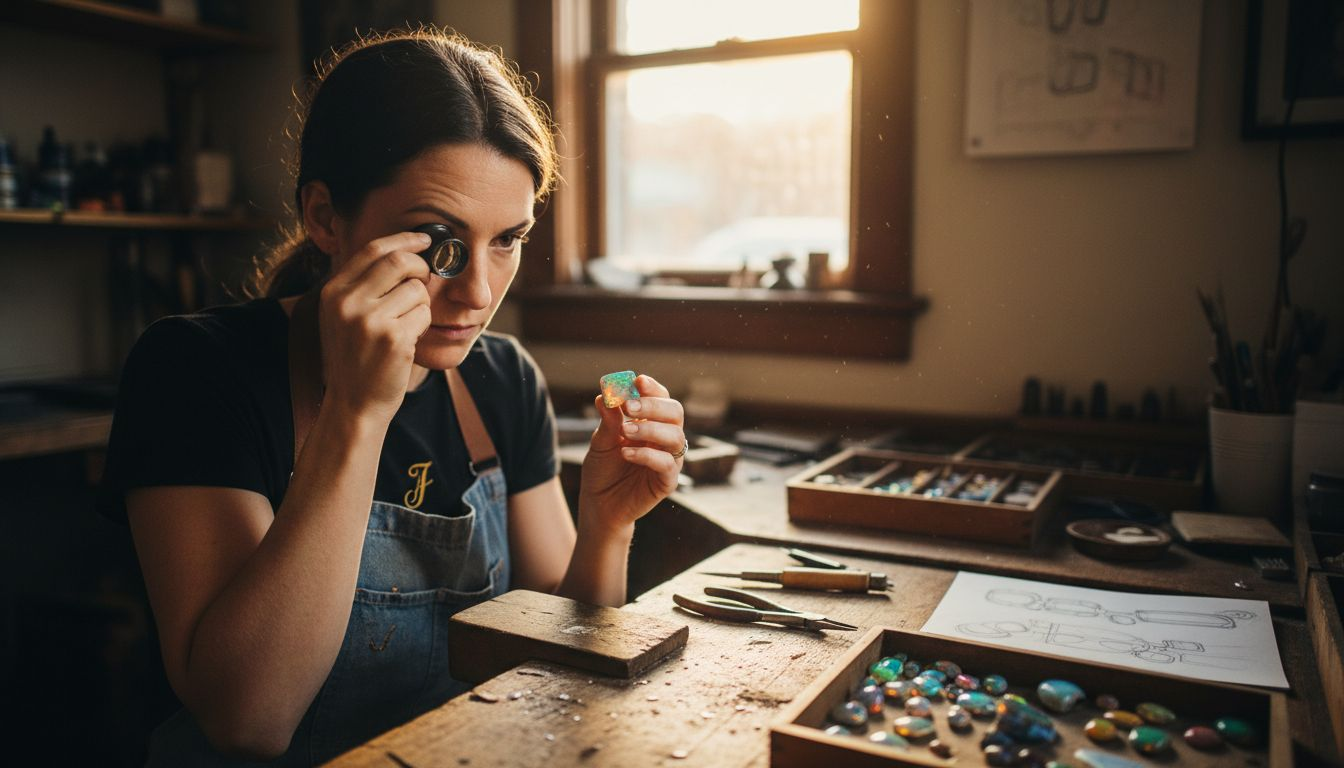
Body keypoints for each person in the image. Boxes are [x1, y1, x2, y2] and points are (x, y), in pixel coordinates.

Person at [97, 29, 686, 766]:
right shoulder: (196, 370)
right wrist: (356, 412)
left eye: (508, 239)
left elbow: (554, 659)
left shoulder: (502, 379)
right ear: (325, 217)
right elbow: (250, 719)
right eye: (438, 241)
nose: (478, 292)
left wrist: (606, 527)